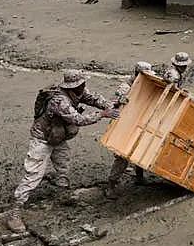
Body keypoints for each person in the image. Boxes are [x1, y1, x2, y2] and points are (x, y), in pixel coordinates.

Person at [7, 69, 119, 233]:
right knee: (33, 175)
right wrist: (103, 114)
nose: (84, 86)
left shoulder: (79, 91)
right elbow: (78, 119)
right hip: (42, 139)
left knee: (63, 166)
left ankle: (62, 196)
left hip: (58, 137)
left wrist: (110, 105)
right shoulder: (60, 100)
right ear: (72, 86)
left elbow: (93, 98)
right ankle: (14, 213)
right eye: (81, 84)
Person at [106, 62, 155, 200]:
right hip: (124, 126)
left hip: (138, 122)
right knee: (122, 157)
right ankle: (111, 186)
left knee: (139, 149)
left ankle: (139, 177)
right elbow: (113, 104)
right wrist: (120, 101)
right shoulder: (125, 87)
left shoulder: (144, 84)